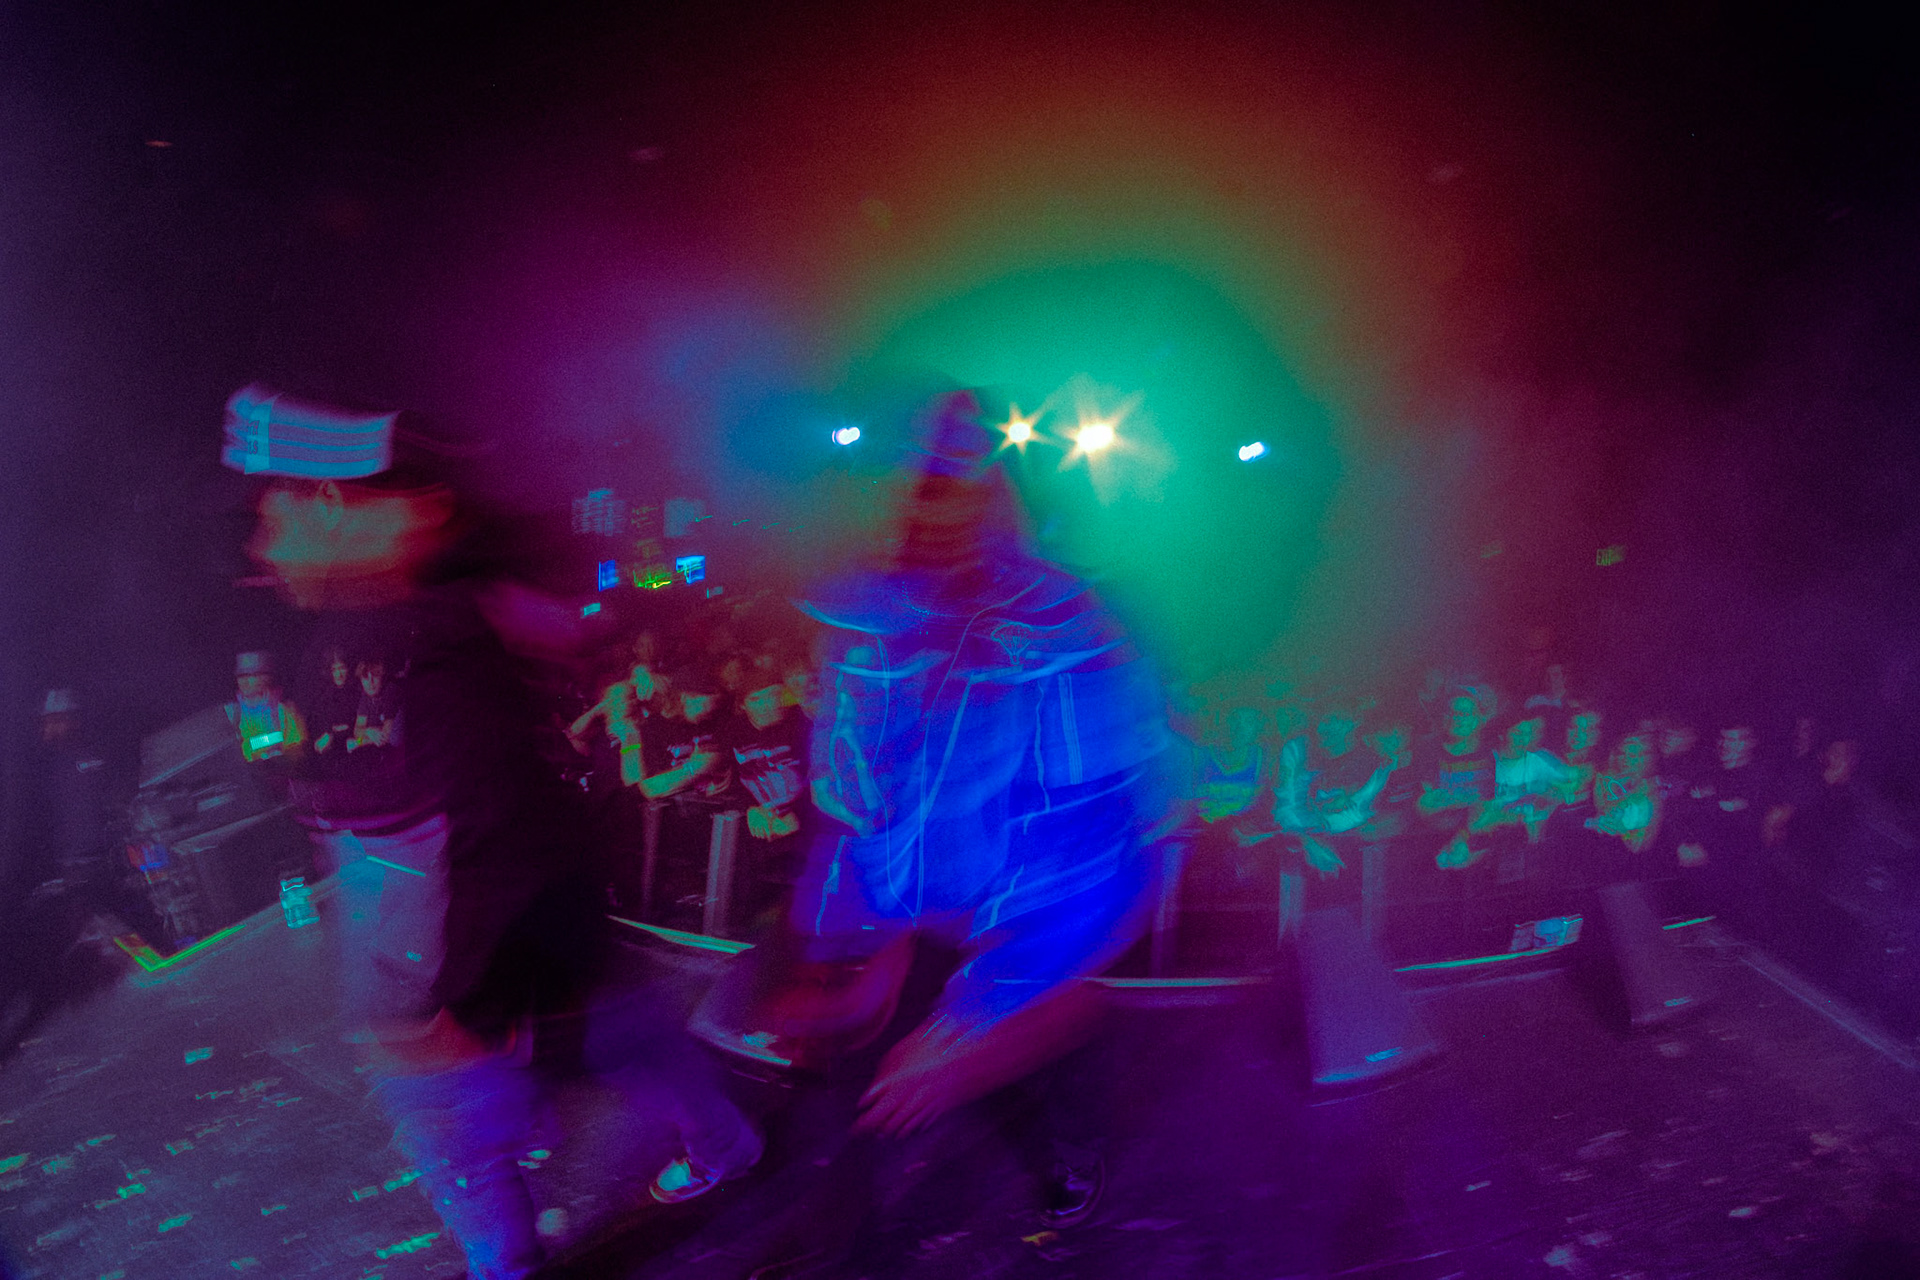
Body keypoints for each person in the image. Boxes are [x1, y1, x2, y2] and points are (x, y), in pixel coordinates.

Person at [227, 386, 758, 1277]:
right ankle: (727, 1148)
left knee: (480, 1158)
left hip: (464, 988)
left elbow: (460, 835)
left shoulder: (400, 650)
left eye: (274, 518)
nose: (264, 549)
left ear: (330, 503)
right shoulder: (418, 624)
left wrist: (443, 1014)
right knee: (633, 1041)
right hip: (535, 945)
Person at [775, 389, 1181, 1231]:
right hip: (913, 913)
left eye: (961, 491)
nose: (938, 514)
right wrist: (841, 935)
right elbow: (849, 788)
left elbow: (1092, 836)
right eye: (924, 490)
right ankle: (843, 1237)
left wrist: (972, 1017)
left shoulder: (1063, 629)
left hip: (1026, 917)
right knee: (865, 1094)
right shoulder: (870, 621)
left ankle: (1070, 1157)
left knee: (1038, 1071)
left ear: (996, 500)